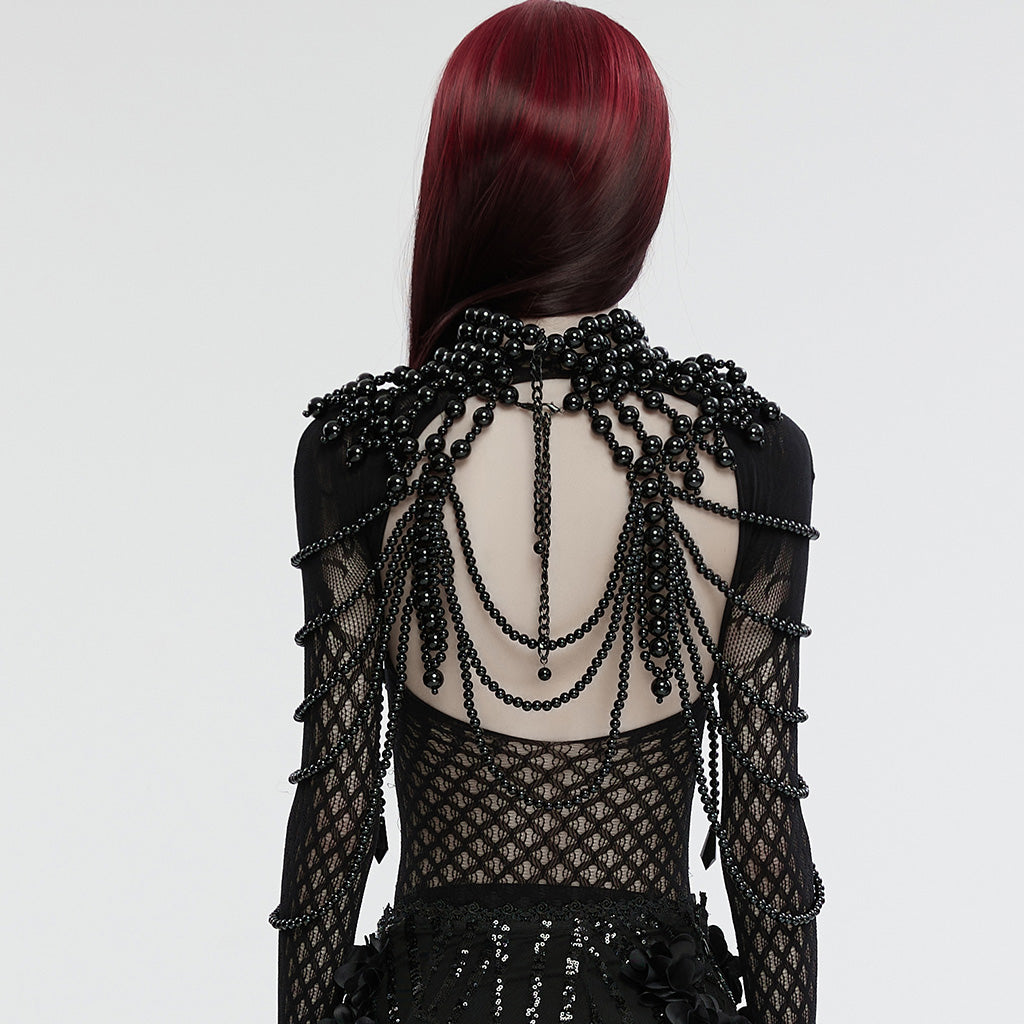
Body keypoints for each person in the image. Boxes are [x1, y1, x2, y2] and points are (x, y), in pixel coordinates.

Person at [268, 2, 825, 1022]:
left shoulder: (365, 453)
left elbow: (337, 815)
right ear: (640, 193)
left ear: (460, 185)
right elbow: (761, 836)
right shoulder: (749, 457)